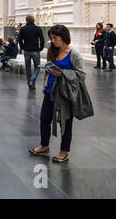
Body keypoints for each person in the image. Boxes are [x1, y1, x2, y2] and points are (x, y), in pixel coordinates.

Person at [29, 25, 93, 163]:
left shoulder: (74, 54)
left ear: (63, 37)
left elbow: (81, 74)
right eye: (51, 38)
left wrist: (62, 74)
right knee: (45, 119)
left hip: (64, 94)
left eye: (55, 38)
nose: (53, 41)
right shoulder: (53, 51)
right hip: (50, 91)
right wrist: (45, 84)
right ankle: (44, 146)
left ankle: (64, 151)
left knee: (65, 122)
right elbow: (48, 69)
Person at [18, 15, 45, 91]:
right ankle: (32, 80)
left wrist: (23, 47)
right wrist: (41, 48)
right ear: (33, 20)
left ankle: (30, 82)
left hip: (26, 51)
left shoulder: (23, 29)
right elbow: (42, 39)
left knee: (28, 67)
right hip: (35, 50)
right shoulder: (38, 28)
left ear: (26, 20)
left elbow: (19, 39)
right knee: (38, 67)